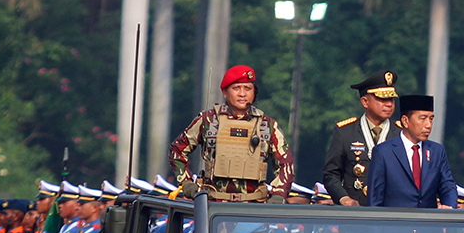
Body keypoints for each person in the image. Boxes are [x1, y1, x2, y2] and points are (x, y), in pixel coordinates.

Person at [169, 65, 295, 202]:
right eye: (236, 88)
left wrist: (278, 193)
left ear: (254, 92)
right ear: (225, 91)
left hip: (254, 206)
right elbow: (177, 150)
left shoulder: (268, 125)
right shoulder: (208, 120)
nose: (242, 94)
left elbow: (285, 164)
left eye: (248, 88)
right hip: (213, 205)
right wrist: (186, 182)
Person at [323, 71, 401, 205]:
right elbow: (331, 174)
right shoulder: (345, 132)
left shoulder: (402, 133)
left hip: (392, 212)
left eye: (391, 99)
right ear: (365, 101)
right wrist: (343, 198)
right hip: (355, 212)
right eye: (382, 99)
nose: (389, 104)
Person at [366, 95, 458, 209]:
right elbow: (375, 200)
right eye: (422, 118)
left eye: (431, 119)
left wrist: (449, 207)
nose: (428, 125)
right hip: (396, 223)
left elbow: (447, 186)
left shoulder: (437, 151)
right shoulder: (384, 152)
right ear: (405, 121)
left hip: (428, 224)